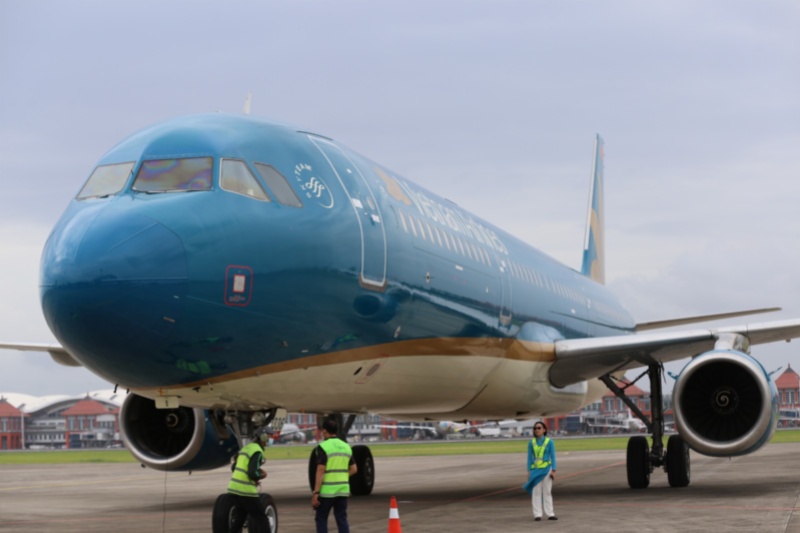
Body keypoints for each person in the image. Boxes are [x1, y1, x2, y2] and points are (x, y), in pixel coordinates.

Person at [311, 418, 358, 533]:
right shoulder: (346, 446)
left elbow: (320, 470)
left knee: (321, 518)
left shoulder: (323, 447)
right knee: (341, 519)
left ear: (325, 431)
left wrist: (316, 492)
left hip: (327, 491)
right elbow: (354, 469)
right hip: (343, 490)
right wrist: (341, 476)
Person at [227, 426, 274, 533]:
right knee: (262, 519)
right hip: (245, 491)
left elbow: (234, 468)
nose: (271, 439)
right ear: (263, 436)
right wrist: (262, 475)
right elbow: (252, 473)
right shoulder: (257, 451)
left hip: (234, 489)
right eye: (270, 436)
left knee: (239, 520)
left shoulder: (246, 448)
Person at [523, 421, 558, 521]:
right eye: (535, 428)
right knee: (536, 493)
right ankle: (537, 514)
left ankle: (550, 513)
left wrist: (554, 470)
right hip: (535, 471)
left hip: (547, 470)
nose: (536, 430)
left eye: (539, 428)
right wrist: (529, 471)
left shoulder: (549, 442)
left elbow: (553, 457)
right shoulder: (531, 442)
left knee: (547, 492)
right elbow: (529, 458)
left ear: (544, 430)